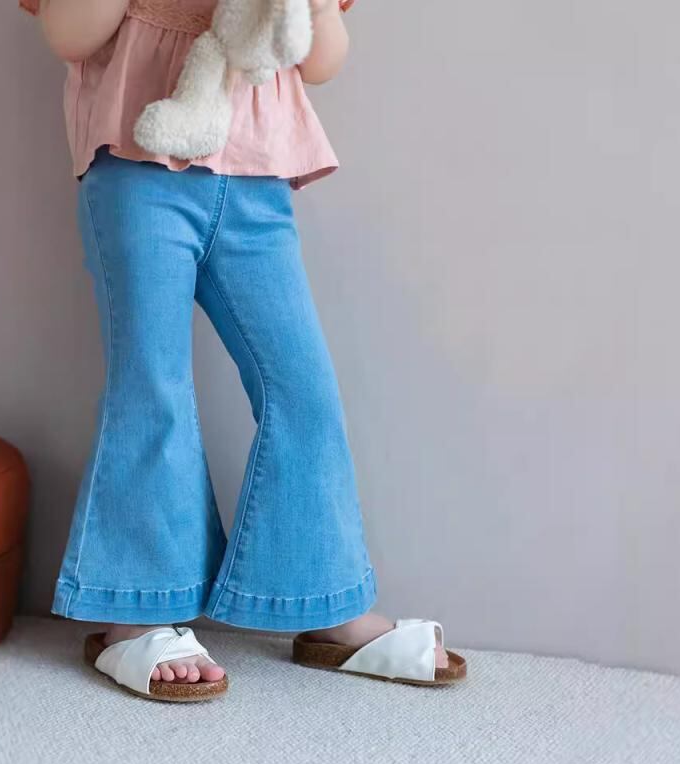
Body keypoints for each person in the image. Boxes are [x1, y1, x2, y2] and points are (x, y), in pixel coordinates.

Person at [23, 0, 464, 701]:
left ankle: (323, 600)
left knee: (302, 389)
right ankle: (135, 609)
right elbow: (68, 33)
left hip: (258, 180)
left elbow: (322, 58)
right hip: (139, 168)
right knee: (153, 385)